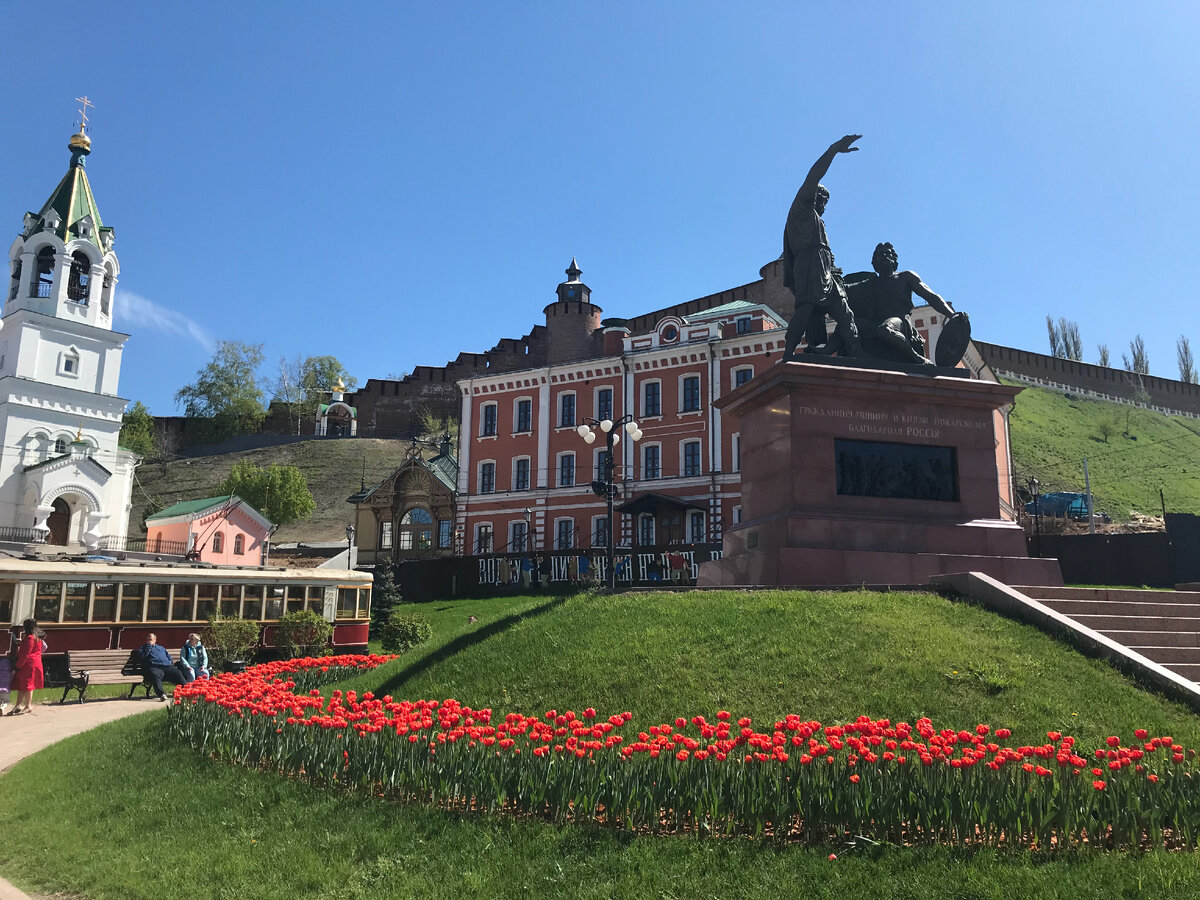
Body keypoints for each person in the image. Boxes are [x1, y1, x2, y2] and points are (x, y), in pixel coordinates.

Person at [781, 134, 864, 361]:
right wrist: (833, 150)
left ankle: (857, 352)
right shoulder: (802, 207)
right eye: (822, 199)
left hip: (826, 268)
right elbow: (814, 175)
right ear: (813, 196)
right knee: (806, 309)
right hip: (809, 265)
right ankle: (788, 352)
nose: (824, 205)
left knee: (844, 311)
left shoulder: (817, 220)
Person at [842, 242, 957, 365]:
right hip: (874, 324)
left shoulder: (905, 277)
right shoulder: (870, 283)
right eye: (880, 255)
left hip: (900, 323)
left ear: (894, 258)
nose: (885, 256)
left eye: (888, 253)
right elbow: (844, 289)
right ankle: (831, 353)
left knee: (885, 329)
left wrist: (951, 315)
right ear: (874, 262)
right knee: (846, 323)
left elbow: (931, 296)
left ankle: (917, 358)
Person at [8, 619, 44, 715]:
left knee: (26, 685)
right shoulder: (38, 637)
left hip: (28, 664)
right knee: (25, 685)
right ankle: (18, 705)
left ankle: (28, 706)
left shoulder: (30, 638)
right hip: (35, 663)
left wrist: (17, 667)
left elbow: (25, 654)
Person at [138, 632, 185, 701]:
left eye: (150, 640)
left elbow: (169, 657)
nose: (148, 641)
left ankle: (187, 690)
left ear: (155, 640)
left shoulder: (161, 648)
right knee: (155, 675)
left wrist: (169, 661)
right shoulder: (143, 648)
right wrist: (148, 648)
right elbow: (142, 657)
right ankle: (162, 694)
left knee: (177, 673)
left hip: (166, 667)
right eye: (147, 640)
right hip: (155, 667)